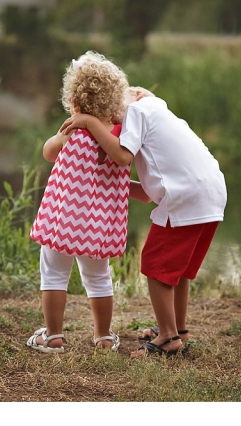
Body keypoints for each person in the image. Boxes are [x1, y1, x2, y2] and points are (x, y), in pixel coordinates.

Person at [58, 84, 227, 357]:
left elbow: (122, 156)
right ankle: (178, 329)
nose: (112, 119)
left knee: (155, 265)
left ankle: (168, 339)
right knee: (177, 270)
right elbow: (148, 194)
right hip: (211, 192)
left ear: (135, 95)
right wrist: (108, 184)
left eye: (113, 110)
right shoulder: (157, 109)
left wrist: (88, 121)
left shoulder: (136, 110)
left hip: (183, 196)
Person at [28, 52, 150, 353]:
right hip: (97, 226)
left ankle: (54, 335)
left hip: (63, 222)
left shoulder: (73, 132)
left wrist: (64, 131)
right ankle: (103, 336)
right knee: (98, 278)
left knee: (54, 275)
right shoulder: (119, 137)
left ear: (75, 104)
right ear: (114, 104)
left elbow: (47, 152)